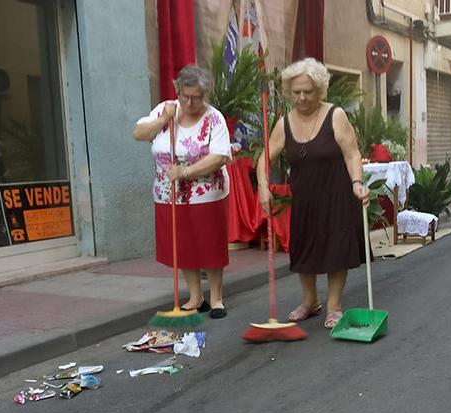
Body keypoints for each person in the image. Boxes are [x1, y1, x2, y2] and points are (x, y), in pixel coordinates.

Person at [256, 58, 369, 330]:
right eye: (296, 92)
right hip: (305, 198)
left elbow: (352, 153)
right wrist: (263, 187)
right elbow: (265, 158)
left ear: (320, 90)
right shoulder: (284, 123)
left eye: (308, 91)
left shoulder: (335, 115)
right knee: (303, 249)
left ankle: (334, 305)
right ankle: (310, 302)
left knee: (335, 249)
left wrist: (357, 183)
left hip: (337, 194)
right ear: (288, 92)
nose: (302, 97)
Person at [132, 65, 232, 319]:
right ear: (178, 91)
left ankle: (217, 298)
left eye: (196, 97)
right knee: (183, 244)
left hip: (206, 192)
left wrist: (186, 172)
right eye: (185, 96)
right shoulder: (165, 109)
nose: (189, 102)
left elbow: (220, 156)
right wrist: (164, 119)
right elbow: (138, 133)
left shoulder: (213, 118)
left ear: (205, 95)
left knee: (209, 244)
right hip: (169, 193)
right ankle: (196, 297)